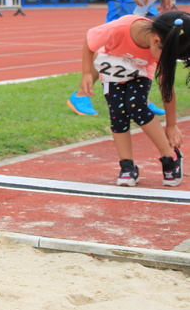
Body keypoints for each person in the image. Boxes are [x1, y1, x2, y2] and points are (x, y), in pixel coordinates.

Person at [74, 11, 189, 187]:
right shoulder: (119, 28)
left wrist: (172, 125)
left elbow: (167, 89)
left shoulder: (162, 46)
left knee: (135, 106)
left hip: (141, 70)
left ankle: (170, 157)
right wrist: (87, 73)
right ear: (156, 41)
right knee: (118, 114)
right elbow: (90, 41)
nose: (170, 62)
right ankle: (127, 167)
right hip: (113, 66)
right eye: (170, 57)